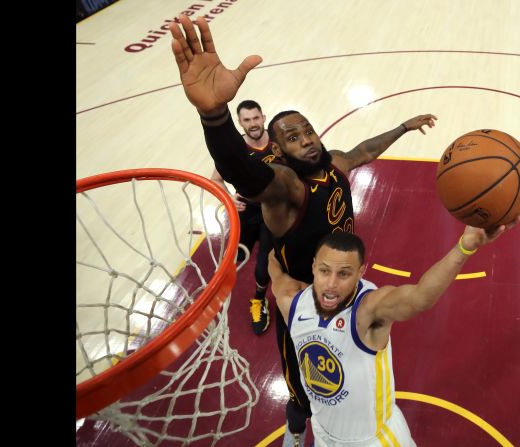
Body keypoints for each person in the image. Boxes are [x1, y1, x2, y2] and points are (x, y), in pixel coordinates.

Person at [169, 15, 437, 446]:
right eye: (293, 138)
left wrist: (403, 127)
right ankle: (295, 437)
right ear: (280, 150)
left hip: (343, 284)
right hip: (303, 302)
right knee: (304, 387)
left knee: (355, 373)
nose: (307, 140)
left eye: (307, 131)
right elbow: (243, 172)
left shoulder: (331, 163)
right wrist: (214, 116)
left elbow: (362, 150)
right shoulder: (286, 187)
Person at [268, 218, 520, 446]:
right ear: (313, 267)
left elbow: (419, 297)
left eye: (344, 274)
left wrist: (464, 247)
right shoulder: (291, 300)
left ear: (361, 273)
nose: (332, 284)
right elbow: (273, 265)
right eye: (325, 271)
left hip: (376, 441)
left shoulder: (368, 311)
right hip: (323, 435)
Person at [209, 99, 275, 335]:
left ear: (264, 117)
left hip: (273, 210)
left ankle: (259, 299)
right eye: (247, 120)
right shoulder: (236, 148)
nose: (253, 124)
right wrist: (229, 199)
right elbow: (215, 179)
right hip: (247, 210)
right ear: (240, 123)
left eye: (256, 118)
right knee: (237, 255)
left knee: (264, 264)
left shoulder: (278, 139)